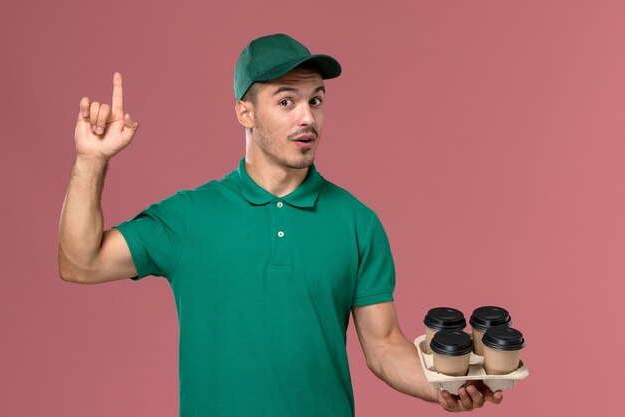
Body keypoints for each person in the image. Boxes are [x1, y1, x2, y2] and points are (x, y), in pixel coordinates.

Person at [58, 33, 503, 416]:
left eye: (316, 101)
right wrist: (91, 160)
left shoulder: (357, 223)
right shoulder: (190, 217)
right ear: (245, 113)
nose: (306, 117)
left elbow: (385, 345)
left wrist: (443, 387)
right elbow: (81, 262)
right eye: (286, 101)